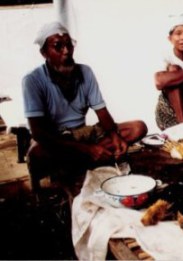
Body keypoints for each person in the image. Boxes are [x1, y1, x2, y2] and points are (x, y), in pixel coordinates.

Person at [22, 22, 148, 190]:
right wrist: (87, 149)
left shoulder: (85, 72)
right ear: (44, 53)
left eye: (69, 45)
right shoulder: (32, 80)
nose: (66, 51)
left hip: (85, 133)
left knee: (138, 127)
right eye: (58, 47)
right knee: (36, 154)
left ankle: (81, 160)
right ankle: (90, 157)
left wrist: (114, 136)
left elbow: (101, 112)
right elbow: (38, 133)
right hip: (57, 139)